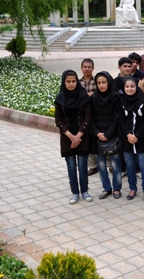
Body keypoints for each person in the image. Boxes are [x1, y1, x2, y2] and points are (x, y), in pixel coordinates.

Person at [55, 69, 93, 204]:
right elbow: (58, 121)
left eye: (73, 81)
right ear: (64, 82)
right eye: (68, 81)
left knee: (82, 166)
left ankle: (85, 191)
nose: (71, 84)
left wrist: (78, 136)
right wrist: (71, 136)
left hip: (83, 137)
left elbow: (88, 118)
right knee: (71, 166)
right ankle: (75, 192)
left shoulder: (83, 97)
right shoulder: (60, 98)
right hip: (67, 138)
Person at [90, 72, 122, 200]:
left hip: (112, 135)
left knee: (115, 164)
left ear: (109, 82)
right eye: (99, 83)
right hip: (97, 136)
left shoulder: (116, 97)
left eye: (104, 82)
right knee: (101, 165)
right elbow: (90, 118)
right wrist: (97, 133)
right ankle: (106, 188)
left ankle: (117, 188)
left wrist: (108, 134)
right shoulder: (93, 98)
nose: (101, 85)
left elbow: (117, 118)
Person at [120, 77, 144, 202]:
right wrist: (128, 135)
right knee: (130, 166)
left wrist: (137, 135)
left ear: (136, 86)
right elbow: (121, 120)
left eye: (132, 86)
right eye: (127, 86)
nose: (129, 89)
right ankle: (132, 188)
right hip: (126, 139)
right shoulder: (121, 100)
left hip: (141, 139)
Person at [79, 58, 97, 176]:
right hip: (83, 114)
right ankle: (93, 165)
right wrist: (87, 95)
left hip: (96, 113)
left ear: (93, 68)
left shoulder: (97, 81)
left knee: (98, 138)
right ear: (81, 68)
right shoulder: (78, 82)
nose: (87, 69)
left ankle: (107, 164)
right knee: (87, 139)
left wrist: (92, 94)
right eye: (85, 67)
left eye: (89, 67)